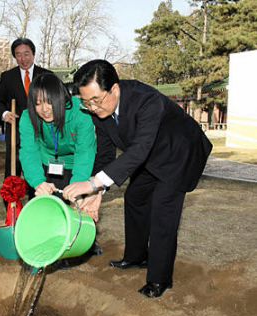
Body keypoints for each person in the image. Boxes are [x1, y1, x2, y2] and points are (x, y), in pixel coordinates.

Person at [63, 60, 213, 298]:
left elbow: (140, 148)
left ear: (114, 89)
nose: (91, 107)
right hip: (150, 156)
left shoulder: (146, 100)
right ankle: (136, 257)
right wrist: (97, 192)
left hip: (178, 153)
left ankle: (159, 280)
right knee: (135, 197)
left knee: (163, 211)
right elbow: (105, 152)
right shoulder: (98, 110)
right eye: (86, 102)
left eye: (95, 100)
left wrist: (92, 183)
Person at [19, 73, 96, 197]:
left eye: (49, 102)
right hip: (45, 165)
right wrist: (38, 182)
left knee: (76, 209)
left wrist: (78, 185)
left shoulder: (81, 113)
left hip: (75, 165)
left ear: (60, 98)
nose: (44, 109)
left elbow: (84, 152)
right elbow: (29, 152)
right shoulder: (28, 117)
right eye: (38, 103)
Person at [0, 38, 52, 197]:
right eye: (18, 55)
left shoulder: (47, 75)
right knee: (13, 169)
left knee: (39, 169)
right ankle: (11, 209)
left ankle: (38, 202)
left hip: (42, 131)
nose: (23, 58)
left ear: (33, 54)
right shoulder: (7, 77)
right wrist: (5, 114)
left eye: (26, 54)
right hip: (16, 132)